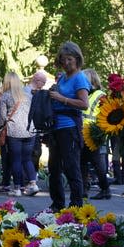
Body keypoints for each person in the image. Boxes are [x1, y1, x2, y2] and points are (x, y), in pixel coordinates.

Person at [47, 42, 90, 212]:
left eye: (69, 59)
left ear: (77, 59)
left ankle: (76, 207)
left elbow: (84, 104)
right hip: (56, 128)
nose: (66, 63)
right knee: (54, 168)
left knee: (72, 168)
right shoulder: (63, 78)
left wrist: (60, 98)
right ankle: (57, 204)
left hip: (70, 128)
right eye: (63, 60)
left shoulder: (79, 78)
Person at [0, 71, 39, 197]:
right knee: (27, 159)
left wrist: (0, 128)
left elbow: (3, 117)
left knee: (15, 159)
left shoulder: (5, 96)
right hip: (30, 130)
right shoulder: (27, 95)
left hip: (14, 131)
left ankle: (17, 188)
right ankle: (33, 184)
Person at [81, 68, 111, 200]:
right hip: (83, 131)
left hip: (92, 132)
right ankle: (84, 189)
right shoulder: (86, 94)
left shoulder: (100, 94)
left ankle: (105, 189)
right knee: (83, 162)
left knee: (96, 162)